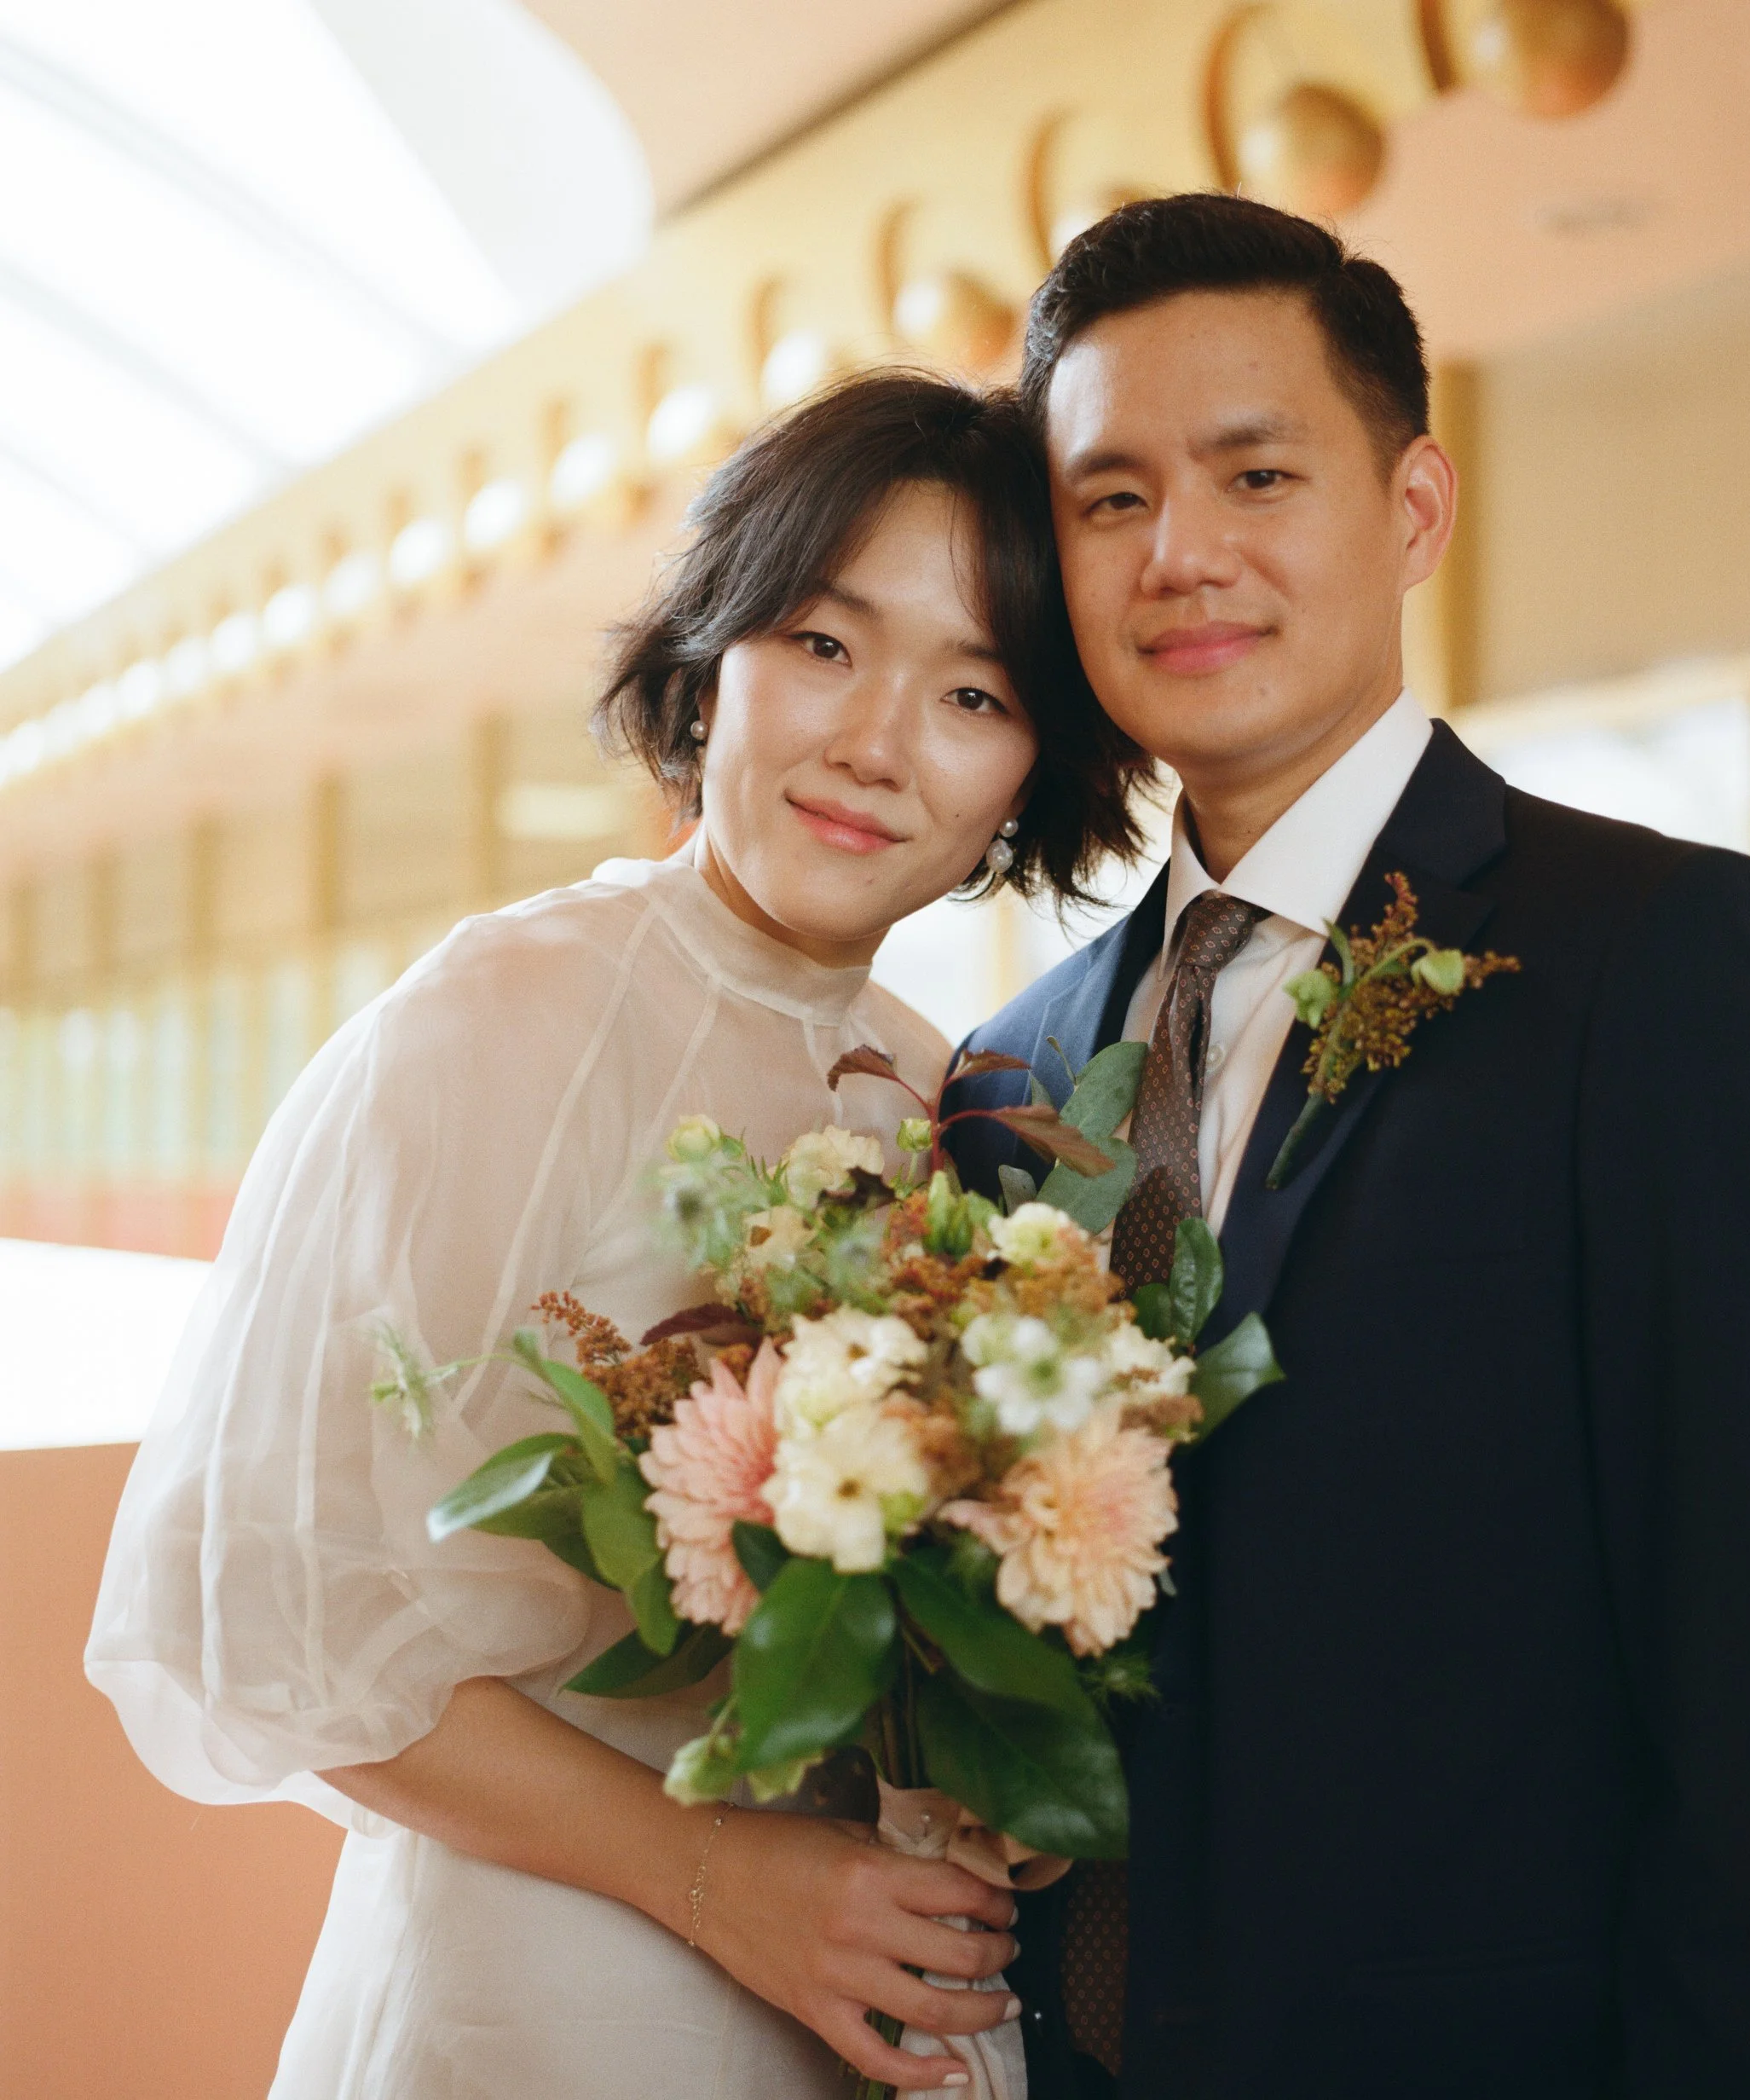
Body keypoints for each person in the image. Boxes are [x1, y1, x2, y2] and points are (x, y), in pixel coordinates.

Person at [944, 194, 1750, 2099]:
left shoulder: (1663, 966)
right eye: (1110, 499)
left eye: (1256, 475)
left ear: (1411, 509)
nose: (1182, 553)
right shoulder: (1011, 1068)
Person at [86, 371, 1149, 2099]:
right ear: (710, 659)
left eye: (974, 692)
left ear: (1032, 773)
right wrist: (718, 1878)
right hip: (555, 1995)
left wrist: (989, 1755)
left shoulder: (948, 1098)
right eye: (824, 643)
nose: (877, 741)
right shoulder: (510, 1016)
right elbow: (271, 1614)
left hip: (862, 1991)